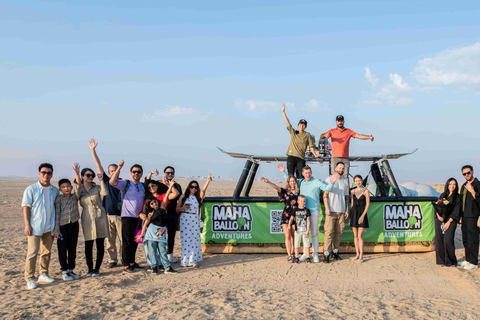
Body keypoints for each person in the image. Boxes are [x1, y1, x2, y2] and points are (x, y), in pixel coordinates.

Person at [278, 163, 339, 263]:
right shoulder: (300, 181)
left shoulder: (316, 181)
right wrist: (283, 172)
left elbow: (327, 188)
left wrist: (332, 183)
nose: (308, 174)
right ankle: (306, 254)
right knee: (303, 234)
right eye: (306, 173)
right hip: (301, 212)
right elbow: (291, 181)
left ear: (311, 173)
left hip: (314, 211)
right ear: (302, 173)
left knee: (314, 233)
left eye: (309, 173)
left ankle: (315, 254)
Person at [22, 163, 60, 290]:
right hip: (35, 227)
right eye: (44, 172)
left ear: (52, 174)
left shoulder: (54, 190)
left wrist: (56, 227)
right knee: (32, 253)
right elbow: (26, 207)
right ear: (39, 174)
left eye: (49, 173)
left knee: (46, 252)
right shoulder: (31, 189)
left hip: (49, 227)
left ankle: (43, 273)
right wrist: (27, 225)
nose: (46, 175)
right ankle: (30, 278)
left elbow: (56, 208)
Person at [89, 138, 123, 269]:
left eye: (116, 170)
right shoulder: (107, 181)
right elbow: (98, 165)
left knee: (123, 241)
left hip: (121, 216)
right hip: (107, 216)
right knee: (110, 241)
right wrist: (93, 150)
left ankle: (125, 259)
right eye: (111, 171)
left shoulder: (123, 184)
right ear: (109, 173)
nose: (114, 172)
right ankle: (113, 260)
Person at [74, 163, 109, 276]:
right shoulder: (80, 190)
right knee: (88, 243)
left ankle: (97, 268)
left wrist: (101, 181)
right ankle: (90, 268)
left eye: (92, 175)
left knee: (100, 243)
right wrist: (77, 174)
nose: (90, 177)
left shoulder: (97, 188)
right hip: (87, 217)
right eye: (88, 175)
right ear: (83, 176)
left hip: (100, 216)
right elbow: (76, 194)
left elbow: (104, 193)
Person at [110, 161, 146, 273]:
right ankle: (126, 264)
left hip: (138, 217)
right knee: (127, 241)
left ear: (141, 174)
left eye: (138, 172)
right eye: (134, 172)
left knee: (135, 241)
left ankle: (132, 262)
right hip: (127, 216)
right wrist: (119, 168)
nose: (136, 174)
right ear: (131, 173)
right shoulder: (126, 183)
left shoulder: (142, 186)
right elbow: (112, 182)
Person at [136, 182, 177, 274]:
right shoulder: (150, 214)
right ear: (149, 205)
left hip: (161, 231)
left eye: (154, 201)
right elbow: (146, 223)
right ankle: (154, 267)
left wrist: (170, 186)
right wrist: (142, 234)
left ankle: (167, 267)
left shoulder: (162, 207)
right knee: (152, 250)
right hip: (151, 233)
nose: (154, 203)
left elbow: (166, 196)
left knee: (162, 250)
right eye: (151, 203)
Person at [320, 115, 374, 181]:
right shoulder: (332, 131)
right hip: (334, 158)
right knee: (334, 176)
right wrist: (325, 135)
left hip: (345, 158)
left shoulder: (348, 131)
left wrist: (369, 137)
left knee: (345, 177)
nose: (340, 122)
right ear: (336, 122)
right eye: (338, 121)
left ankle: (346, 191)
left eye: (341, 121)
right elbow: (321, 136)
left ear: (344, 122)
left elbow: (358, 136)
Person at [145, 168, 181, 262]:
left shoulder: (177, 185)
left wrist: (170, 185)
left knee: (171, 235)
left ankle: (170, 254)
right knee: (159, 236)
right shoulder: (158, 184)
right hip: (159, 216)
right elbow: (147, 183)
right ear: (164, 173)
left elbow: (177, 196)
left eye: (172, 172)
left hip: (172, 213)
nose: (170, 174)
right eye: (168, 172)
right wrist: (151, 173)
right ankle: (159, 257)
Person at [261, 175, 299, 262]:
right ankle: (289, 255)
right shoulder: (285, 191)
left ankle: (293, 254)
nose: (292, 183)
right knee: (287, 236)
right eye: (291, 181)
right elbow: (276, 187)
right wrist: (268, 182)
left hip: (295, 216)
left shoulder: (298, 192)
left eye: (294, 181)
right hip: (286, 215)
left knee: (294, 236)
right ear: (288, 183)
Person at [177, 175, 212, 267]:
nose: (193, 189)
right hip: (185, 218)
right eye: (192, 187)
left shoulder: (197, 197)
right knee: (185, 240)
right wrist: (183, 208)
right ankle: (185, 261)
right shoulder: (183, 197)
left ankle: (193, 261)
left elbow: (203, 191)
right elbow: (177, 209)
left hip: (194, 219)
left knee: (194, 240)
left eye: (195, 187)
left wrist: (208, 181)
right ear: (189, 187)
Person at [281, 103, 321, 178]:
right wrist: (283, 112)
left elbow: (311, 146)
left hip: (300, 158)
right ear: (298, 125)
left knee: (300, 177)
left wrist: (315, 155)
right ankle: (290, 190)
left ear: (305, 126)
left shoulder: (307, 135)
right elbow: (288, 123)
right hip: (291, 156)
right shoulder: (293, 132)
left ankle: (300, 189)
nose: (301, 126)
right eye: (300, 124)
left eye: (303, 125)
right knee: (291, 176)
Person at [54, 176, 81, 281]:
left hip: (74, 225)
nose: (66, 189)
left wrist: (77, 173)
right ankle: (64, 271)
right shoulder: (59, 200)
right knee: (62, 248)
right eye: (63, 187)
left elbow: (79, 188)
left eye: (68, 186)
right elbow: (57, 215)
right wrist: (57, 229)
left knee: (72, 248)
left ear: (71, 187)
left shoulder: (75, 197)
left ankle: (71, 270)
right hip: (62, 227)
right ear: (60, 189)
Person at [323, 162, 349, 263]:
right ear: (335, 168)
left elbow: (346, 197)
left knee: (339, 233)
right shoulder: (328, 180)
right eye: (339, 168)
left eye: (342, 168)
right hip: (331, 211)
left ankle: (335, 251)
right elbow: (325, 195)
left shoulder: (345, 182)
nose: (341, 170)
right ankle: (326, 253)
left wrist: (346, 209)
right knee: (328, 233)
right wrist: (327, 208)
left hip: (341, 211)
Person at [434, 178, 460, 267]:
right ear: (447, 185)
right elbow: (437, 206)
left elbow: (456, 211)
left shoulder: (457, 197)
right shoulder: (442, 195)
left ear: (456, 186)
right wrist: (438, 215)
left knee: (448, 240)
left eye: (454, 184)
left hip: (451, 221)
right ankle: (441, 261)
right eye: (450, 184)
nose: (452, 186)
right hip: (440, 220)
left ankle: (451, 261)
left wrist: (449, 222)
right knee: (439, 240)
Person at [459, 165, 480, 270]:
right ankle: (468, 259)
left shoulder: (477, 184)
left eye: (468, 173)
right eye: (464, 174)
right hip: (464, 216)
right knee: (466, 239)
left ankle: (474, 262)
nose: (466, 175)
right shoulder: (464, 186)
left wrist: (472, 191)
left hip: (473, 215)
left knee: (473, 239)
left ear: (472, 172)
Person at [349, 175, 370, 263]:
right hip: (354, 213)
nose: (358, 182)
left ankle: (361, 255)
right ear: (354, 182)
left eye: (359, 180)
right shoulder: (352, 191)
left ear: (362, 181)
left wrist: (362, 216)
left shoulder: (366, 191)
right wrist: (350, 217)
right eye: (356, 181)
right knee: (355, 236)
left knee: (360, 236)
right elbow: (352, 205)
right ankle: (357, 254)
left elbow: (368, 204)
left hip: (362, 213)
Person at [289, 195, 311, 264]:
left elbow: (308, 221)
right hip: (297, 230)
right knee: (296, 244)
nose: (302, 203)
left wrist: (307, 230)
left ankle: (308, 256)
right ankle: (297, 256)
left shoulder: (306, 210)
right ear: (298, 202)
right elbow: (291, 218)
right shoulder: (295, 210)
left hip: (304, 230)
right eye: (301, 201)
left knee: (307, 244)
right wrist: (289, 225)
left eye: (304, 201)